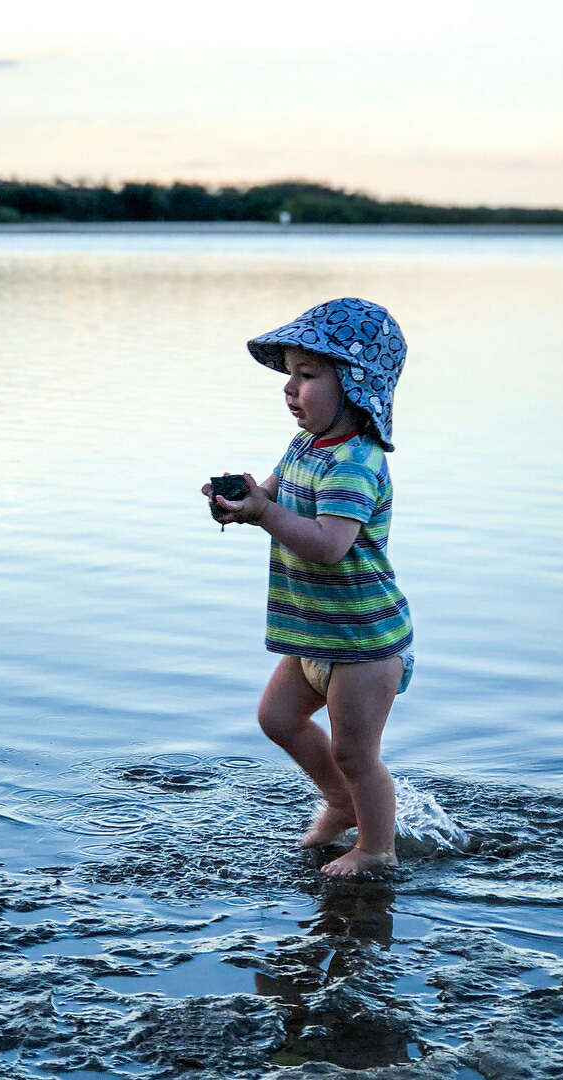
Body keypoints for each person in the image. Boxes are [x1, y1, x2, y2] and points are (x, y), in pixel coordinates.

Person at [202, 298, 413, 878]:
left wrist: (264, 515)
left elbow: (327, 543)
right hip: (316, 635)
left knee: (354, 752)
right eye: (289, 375)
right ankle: (341, 802)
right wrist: (242, 504)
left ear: (354, 384)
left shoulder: (356, 461)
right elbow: (271, 499)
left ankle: (376, 848)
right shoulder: (303, 446)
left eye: (308, 375)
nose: (291, 389)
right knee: (277, 719)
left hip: (364, 642)